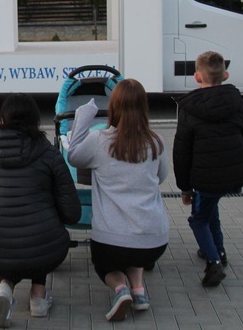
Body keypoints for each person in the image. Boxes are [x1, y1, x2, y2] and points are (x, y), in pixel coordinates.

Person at [0, 93, 81, 328]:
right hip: (46, 246)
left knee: (12, 248)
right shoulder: (49, 153)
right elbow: (72, 211)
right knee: (39, 241)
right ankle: (38, 297)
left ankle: (4, 288)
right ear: (35, 120)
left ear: (2, 119)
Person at [67, 79, 170, 322]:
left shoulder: (100, 141)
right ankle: (139, 290)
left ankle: (119, 287)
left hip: (111, 241)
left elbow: (73, 156)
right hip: (154, 242)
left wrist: (84, 116)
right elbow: (161, 177)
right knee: (135, 250)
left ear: (114, 106)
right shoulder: (156, 142)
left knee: (106, 266)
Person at [173, 51, 243, 288]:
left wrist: (185, 187)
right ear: (225, 75)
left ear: (197, 77)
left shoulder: (189, 107)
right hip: (234, 171)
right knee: (209, 208)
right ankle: (219, 250)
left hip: (204, 175)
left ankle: (214, 262)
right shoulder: (237, 101)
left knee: (198, 219)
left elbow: (182, 150)